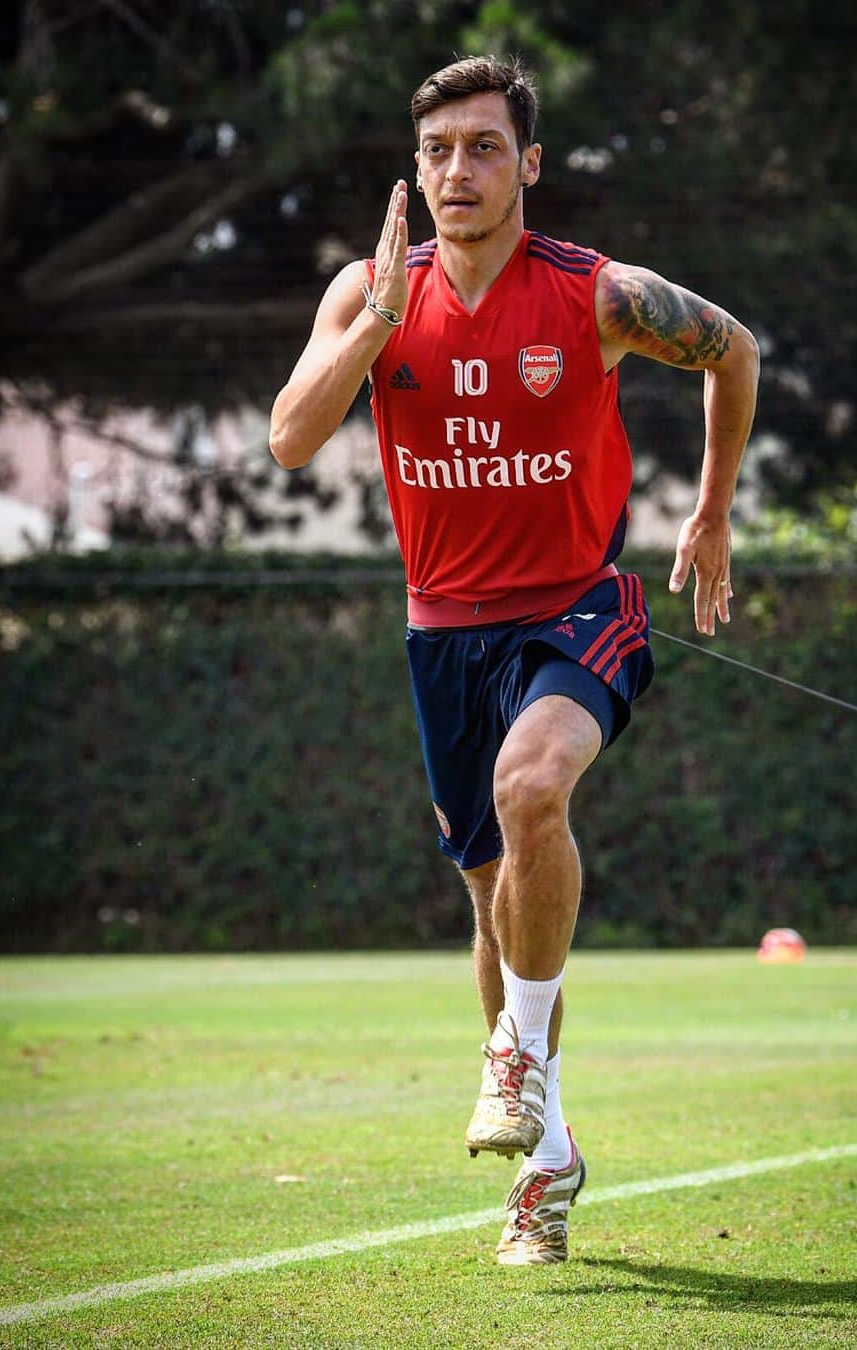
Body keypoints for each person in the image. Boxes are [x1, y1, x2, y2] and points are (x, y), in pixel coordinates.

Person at [270, 55, 759, 1266]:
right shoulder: (370, 292)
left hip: (579, 609)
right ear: (416, 170)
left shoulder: (598, 297)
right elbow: (289, 440)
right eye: (438, 151)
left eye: (484, 147)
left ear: (527, 165)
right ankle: (546, 1161)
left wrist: (713, 512)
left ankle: (517, 1062)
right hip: (442, 630)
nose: (458, 171)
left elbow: (735, 348)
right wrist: (377, 321)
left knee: (532, 785)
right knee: (493, 900)